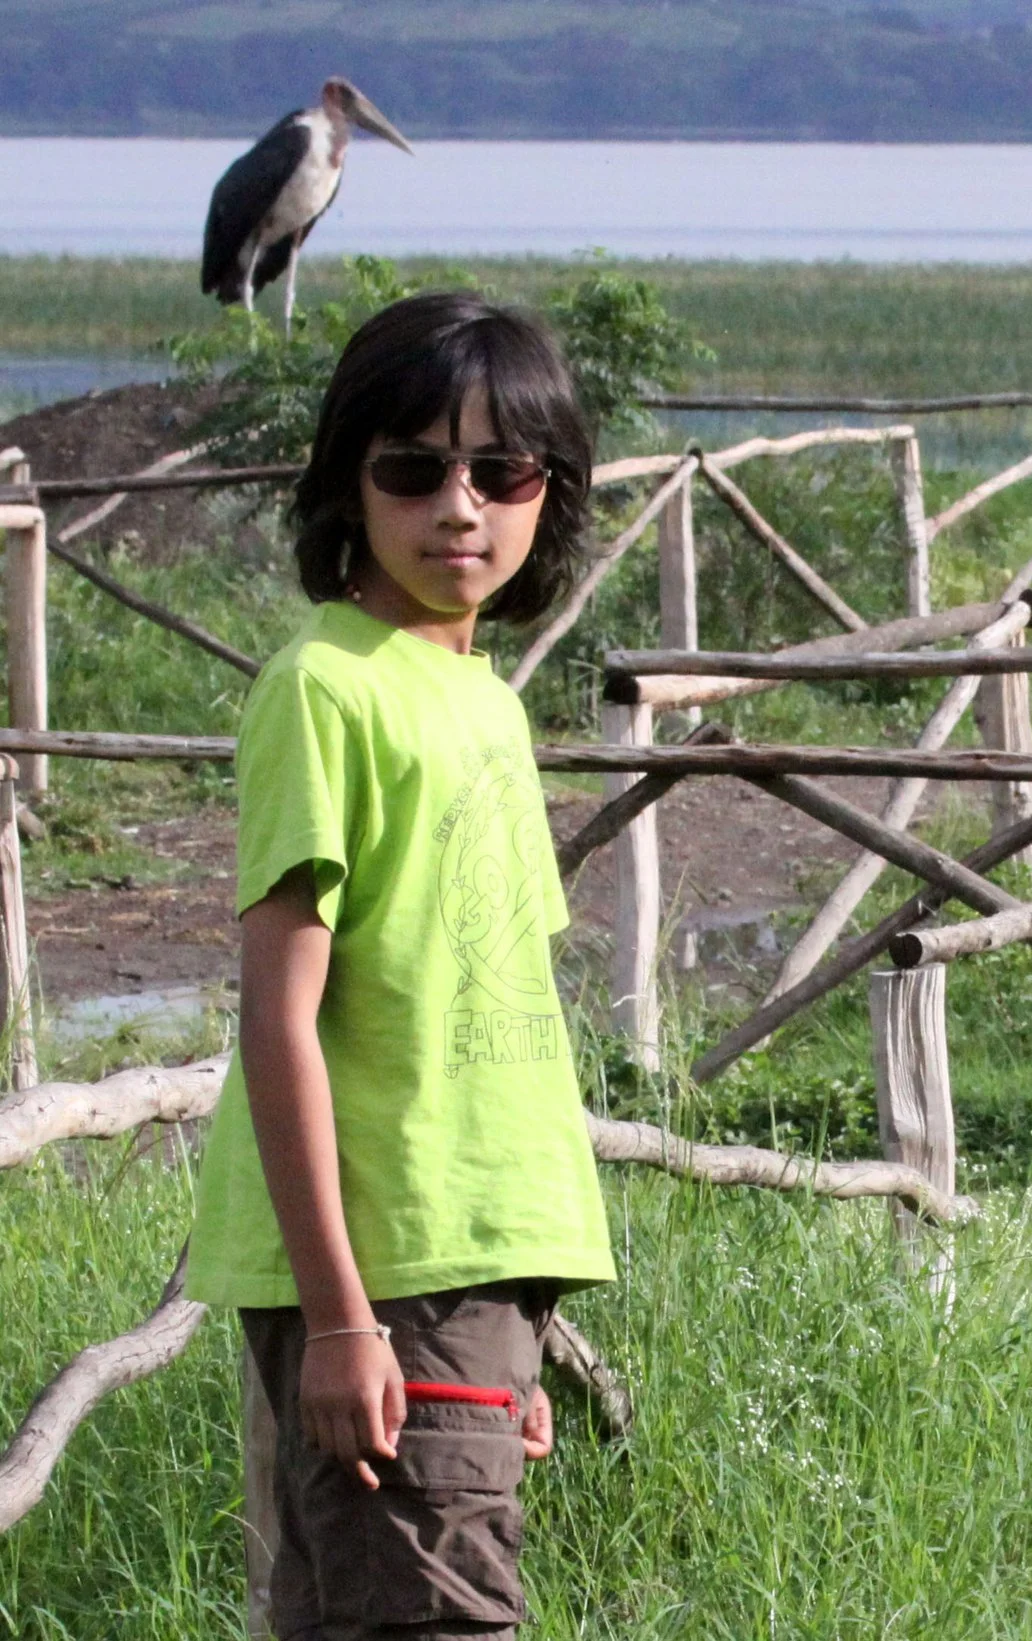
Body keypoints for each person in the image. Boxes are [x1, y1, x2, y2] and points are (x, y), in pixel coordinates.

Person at [186, 291, 614, 1640]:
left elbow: (486, 1009)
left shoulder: (480, 698)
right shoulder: (329, 687)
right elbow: (281, 1018)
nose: (461, 507)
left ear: (551, 492)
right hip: (388, 1266)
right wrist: (342, 1318)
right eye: (414, 470)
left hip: (463, 1275)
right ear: (346, 483)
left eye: (503, 472)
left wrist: (514, 1328)